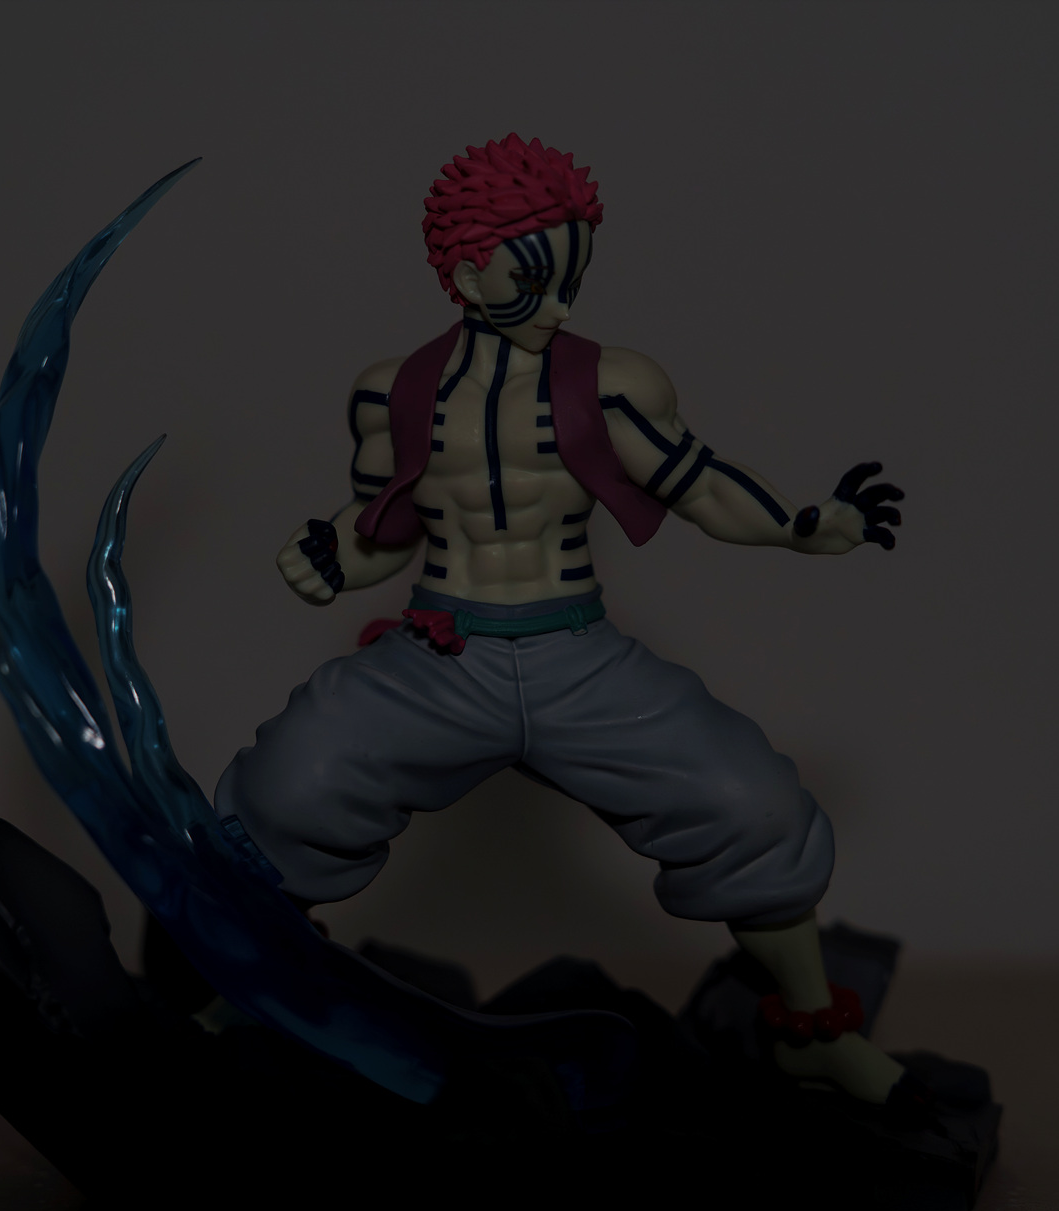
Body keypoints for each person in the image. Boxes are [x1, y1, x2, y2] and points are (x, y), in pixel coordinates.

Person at [214, 134, 910, 1103]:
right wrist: (331, 554)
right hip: (439, 659)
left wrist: (801, 525)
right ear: (467, 274)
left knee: (751, 806)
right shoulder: (392, 392)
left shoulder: (616, 382)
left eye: (572, 283)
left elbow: (700, 484)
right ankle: (252, 997)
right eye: (535, 283)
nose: (562, 308)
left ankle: (809, 1026)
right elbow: (381, 530)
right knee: (290, 787)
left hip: (577, 657)